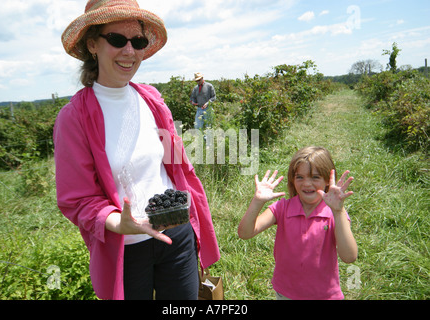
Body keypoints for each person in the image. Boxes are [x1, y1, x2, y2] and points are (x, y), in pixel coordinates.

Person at [54, 0, 220, 300]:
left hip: (176, 234)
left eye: (138, 41)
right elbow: (76, 199)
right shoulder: (74, 117)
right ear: (93, 44)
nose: (129, 51)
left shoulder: (151, 98)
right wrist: (119, 222)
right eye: (117, 40)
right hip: (127, 246)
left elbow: (174, 161)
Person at [238, 146, 358, 300]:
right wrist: (257, 201)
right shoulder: (282, 208)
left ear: (327, 180)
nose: (307, 183)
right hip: (285, 293)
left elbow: (349, 256)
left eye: (315, 177)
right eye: (300, 177)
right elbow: (245, 233)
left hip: (324, 296)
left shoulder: (333, 213)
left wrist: (338, 212)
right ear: (292, 180)